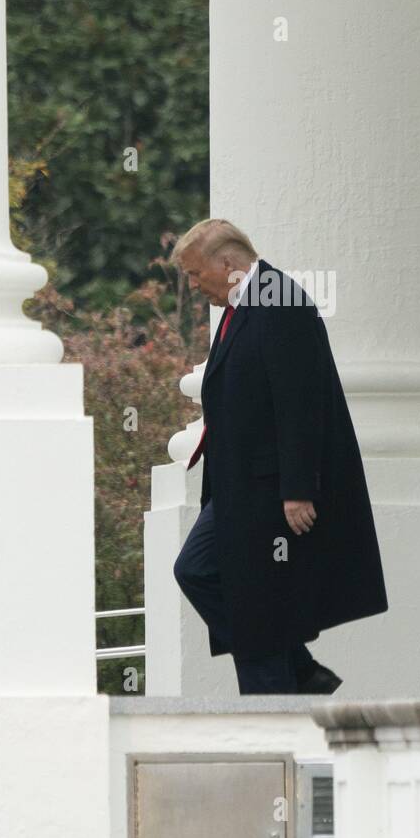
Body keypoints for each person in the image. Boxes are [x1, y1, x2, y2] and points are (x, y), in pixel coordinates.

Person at [171, 218, 388, 694]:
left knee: (256, 604)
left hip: (270, 493)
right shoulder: (245, 302)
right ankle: (299, 667)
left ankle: (278, 708)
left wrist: (297, 489)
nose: (191, 286)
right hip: (239, 489)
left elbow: (300, 400)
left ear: (226, 264)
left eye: (194, 273)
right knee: (199, 572)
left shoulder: (278, 299)